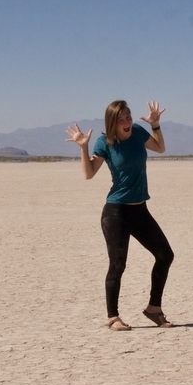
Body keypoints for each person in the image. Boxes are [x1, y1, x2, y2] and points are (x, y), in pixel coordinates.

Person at [65, 100, 174, 331]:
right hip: (116, 213)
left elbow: (159, 147)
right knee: (118, 264)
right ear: (112, 123)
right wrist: (83, 148)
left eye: (128, 117)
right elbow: (89, 173)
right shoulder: (105, 142)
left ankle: (154, 308)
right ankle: (112, 317)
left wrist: (155, 126)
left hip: (140, 210)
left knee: (165, 255)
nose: (126, 122)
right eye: (121, 119)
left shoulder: (137, 133)